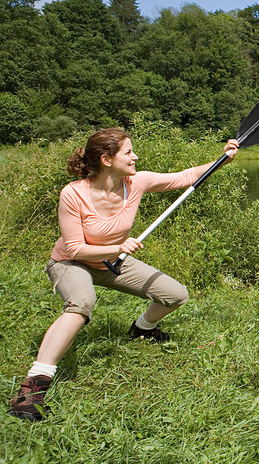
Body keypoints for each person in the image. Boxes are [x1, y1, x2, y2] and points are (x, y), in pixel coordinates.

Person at [9, 128, 239, 421]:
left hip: (114, 261)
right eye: (128, 152)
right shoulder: (73, 194)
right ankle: (32, 388)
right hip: (71, 262)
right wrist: (117, 246)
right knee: (81, 303)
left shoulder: (137, 181)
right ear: (106, 159)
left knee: (175, 294)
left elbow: (184, 177)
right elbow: (76, 249)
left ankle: (142, 329)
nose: (136, 157)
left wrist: (222, 160)